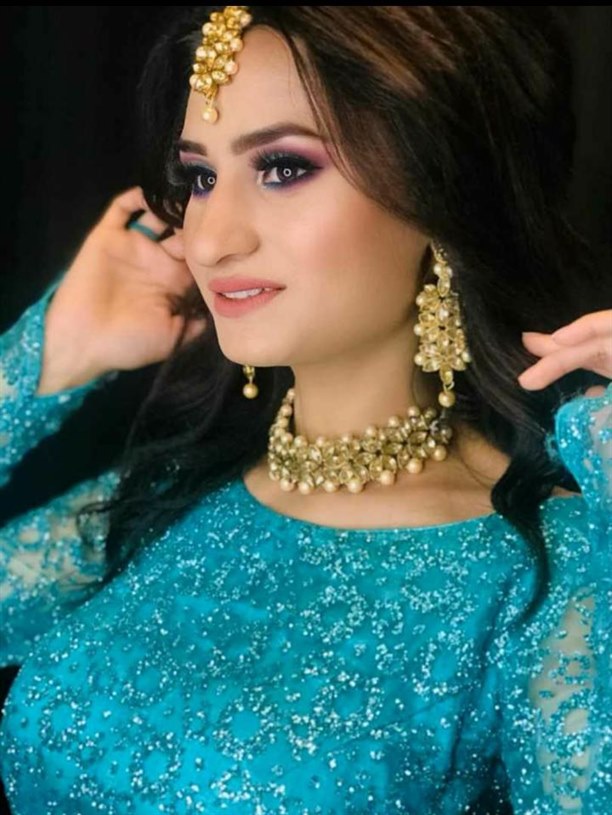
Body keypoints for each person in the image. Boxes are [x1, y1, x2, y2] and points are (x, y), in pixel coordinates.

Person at [0, 5, 610, 813]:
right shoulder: (169, 494)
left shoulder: (550, 568)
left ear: (441, 193)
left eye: (283, 167)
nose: (209, 239)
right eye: (200, 178)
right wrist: (44, 358)